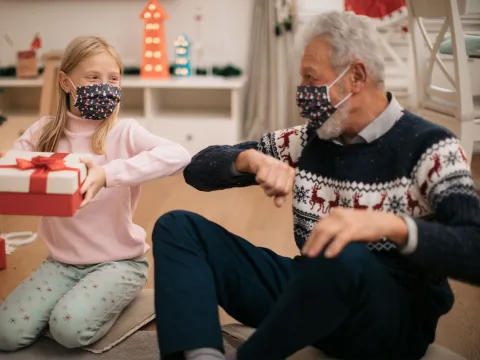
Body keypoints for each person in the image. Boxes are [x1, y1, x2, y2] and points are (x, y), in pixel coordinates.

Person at [151, 10, 480, 360]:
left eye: (311, 78)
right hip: (313, 297)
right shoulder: (310, 139)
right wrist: (249, 160)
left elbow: (473, 247)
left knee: (343, 253)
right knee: (178, 227)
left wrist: (389, 225)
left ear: (356, 75)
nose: (303, 93)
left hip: (391, 321)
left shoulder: (431, 147)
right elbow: (196, 170)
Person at [0, 36, 191, 351]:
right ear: (65, 82)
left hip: (119, 262)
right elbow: (10, 171)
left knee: (68, 331)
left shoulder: (124, 133)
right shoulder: (42, 133)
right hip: (60, 262)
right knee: (6, 334)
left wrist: (108, 174)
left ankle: (116, 297)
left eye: (113, 78)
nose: (105, 86)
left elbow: (178, 155)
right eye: (92, 77)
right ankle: (78, 302)